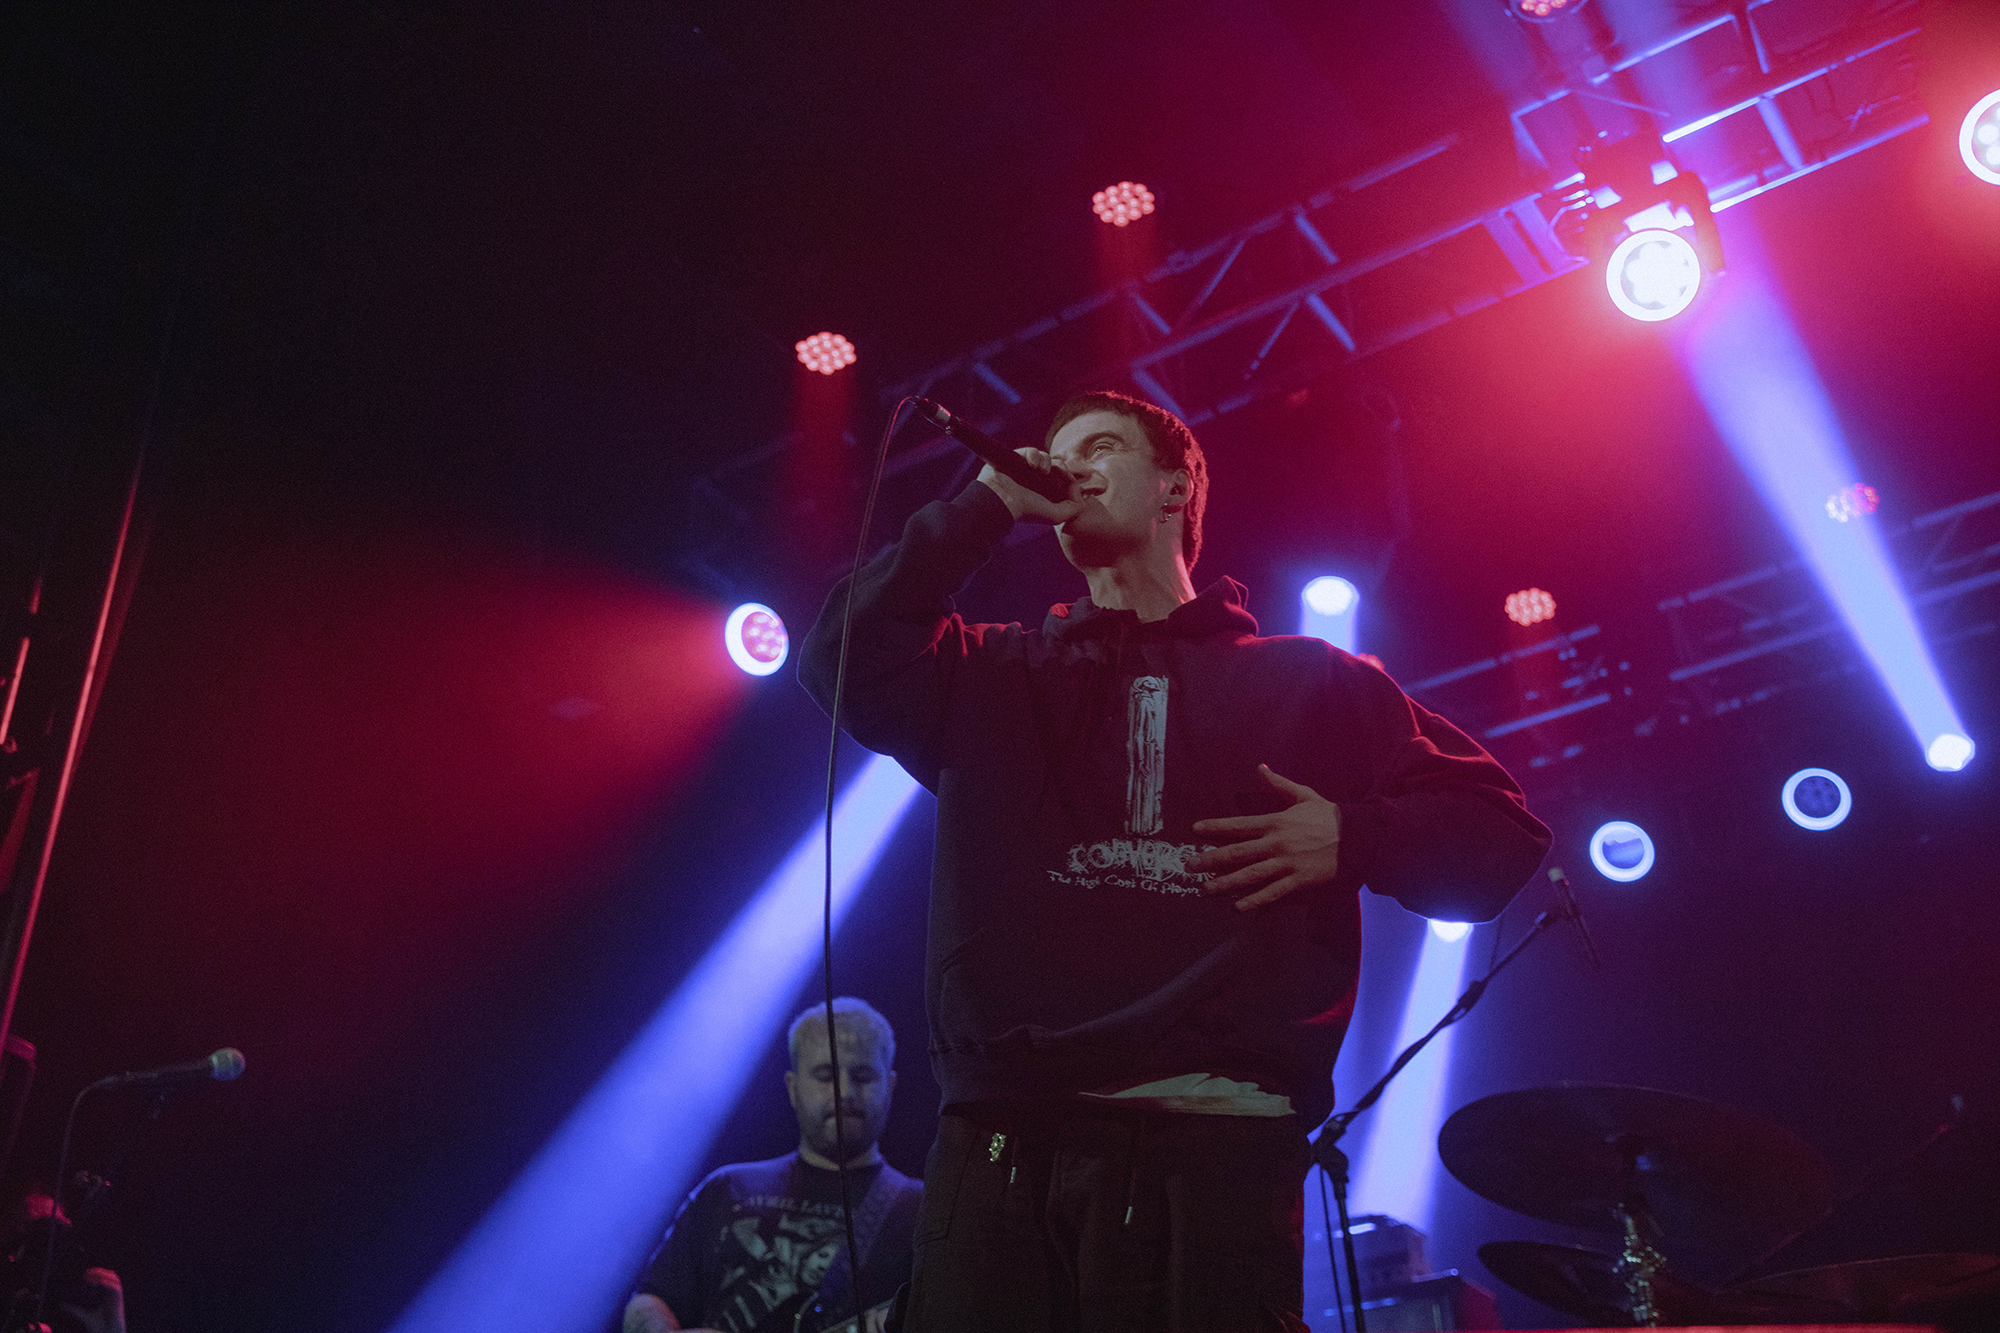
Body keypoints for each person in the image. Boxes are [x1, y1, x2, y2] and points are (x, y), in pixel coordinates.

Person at [798, 390, 1552, 1332]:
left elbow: (1500, 837)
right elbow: (841, 657)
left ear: (1174, 489)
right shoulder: (993, 674)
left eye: (1100, 447)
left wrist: (1355, 835)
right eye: (1055, 452)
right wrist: (984, 507)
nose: (1068, 466)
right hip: (1001, 1144)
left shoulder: (1309, 682)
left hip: (1214, 1150)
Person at [625, 998, 923, 1333]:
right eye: (825, 1076)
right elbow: (651, 1299)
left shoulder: (925, 1210)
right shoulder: (728, 1188)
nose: (845, 1092)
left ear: (890, 1087)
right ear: (793, 1089)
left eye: (863, 1076)